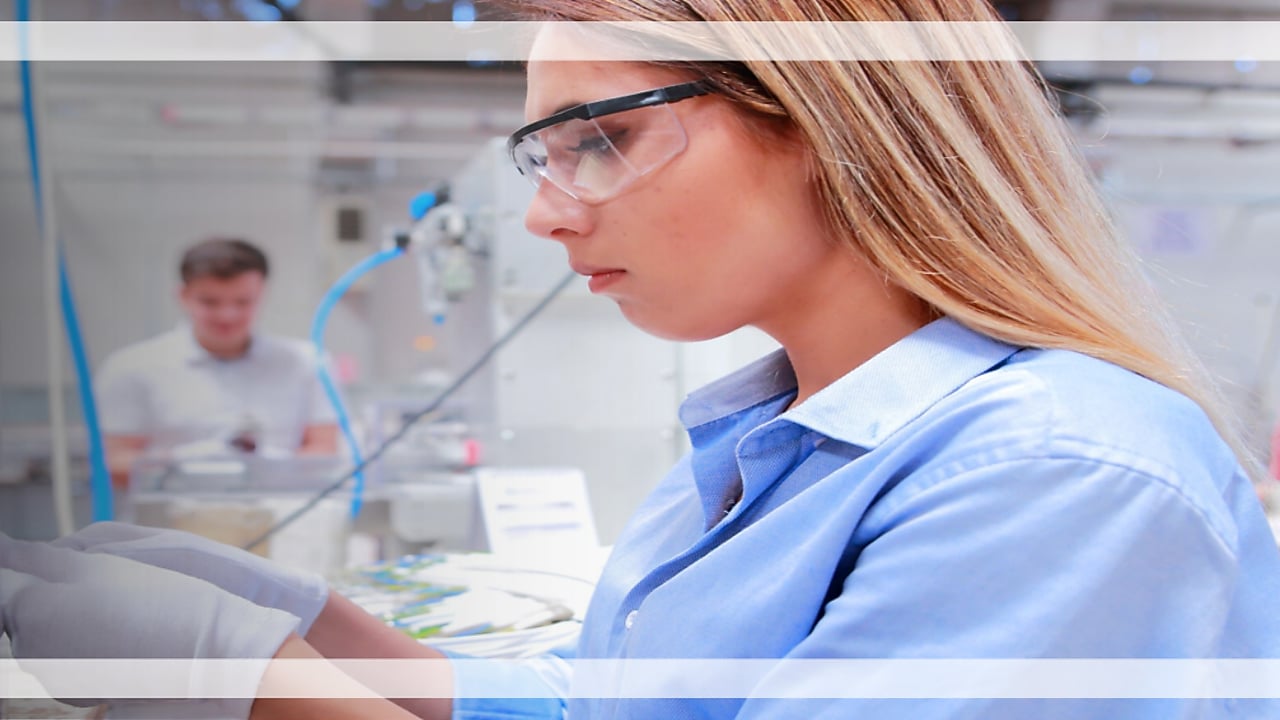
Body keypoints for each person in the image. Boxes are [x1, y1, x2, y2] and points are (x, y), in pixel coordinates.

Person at [4, 1, 1280, 718]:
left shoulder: (1055, 479)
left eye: (599, 139)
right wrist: (332, 634)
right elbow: (613, 702)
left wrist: (257, 686)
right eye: (540, 158)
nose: (550, 210)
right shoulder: (764, 436)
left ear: (827, 124)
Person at [95, 237, 338, 487]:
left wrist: (272, 467)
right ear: (183, 295)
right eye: (210, 302)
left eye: (242, 302)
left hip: (280, 513)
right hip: (172, 518)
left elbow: (325, 449)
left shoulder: (306, 362)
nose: (227, 315)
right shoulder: (132, 367)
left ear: (261, 294)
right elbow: (113, 462)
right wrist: (181, 463)